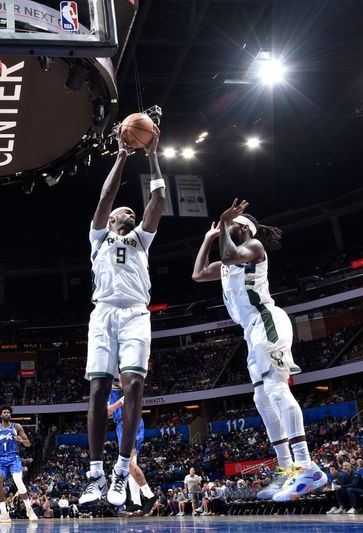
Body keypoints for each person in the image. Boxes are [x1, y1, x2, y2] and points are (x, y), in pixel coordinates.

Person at [191, 199, 327, 501]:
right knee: (261, 398)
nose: (230, 226)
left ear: (245, 229)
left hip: (267, 320)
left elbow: (228, 253)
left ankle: (306, 466)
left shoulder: (252, 247)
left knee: (277, 391)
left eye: (235, 224)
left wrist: (225, 224)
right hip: (250, 332)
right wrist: (207, 239)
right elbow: (198, 274)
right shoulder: (228, 263)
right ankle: (285, 468)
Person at [80, 125, 166, 507]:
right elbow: (106, 195)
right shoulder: (99, 237)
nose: (130, 212)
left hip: (135, 313)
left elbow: (158, 201)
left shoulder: (141, 239)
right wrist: (121, 154)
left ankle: (119, 469)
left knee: (132, 385)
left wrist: (151, 154)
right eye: (123, 211)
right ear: (111, 220)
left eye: (133, 211)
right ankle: (95, 473)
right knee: (99, 389)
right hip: (102, 314)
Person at [106, 376, 156, 515]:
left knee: (127, 463)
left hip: (129, 422)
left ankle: (149, 495)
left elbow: (131, 388)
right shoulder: (107, 388)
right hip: (123, 424)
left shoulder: (116, 377)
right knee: (130, 464)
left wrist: (114, 405)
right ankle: (136, 503)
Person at [0, 405, 38, 522]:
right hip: (0, 459)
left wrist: (21, 441)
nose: (6, 414)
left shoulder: (16, 426)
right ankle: (4, 514)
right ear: (1, 415)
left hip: (14, 458)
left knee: (18, 479)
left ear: (10, 415)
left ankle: (29, 509)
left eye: (8, 412)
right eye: (4, 412)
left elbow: (28, 443)